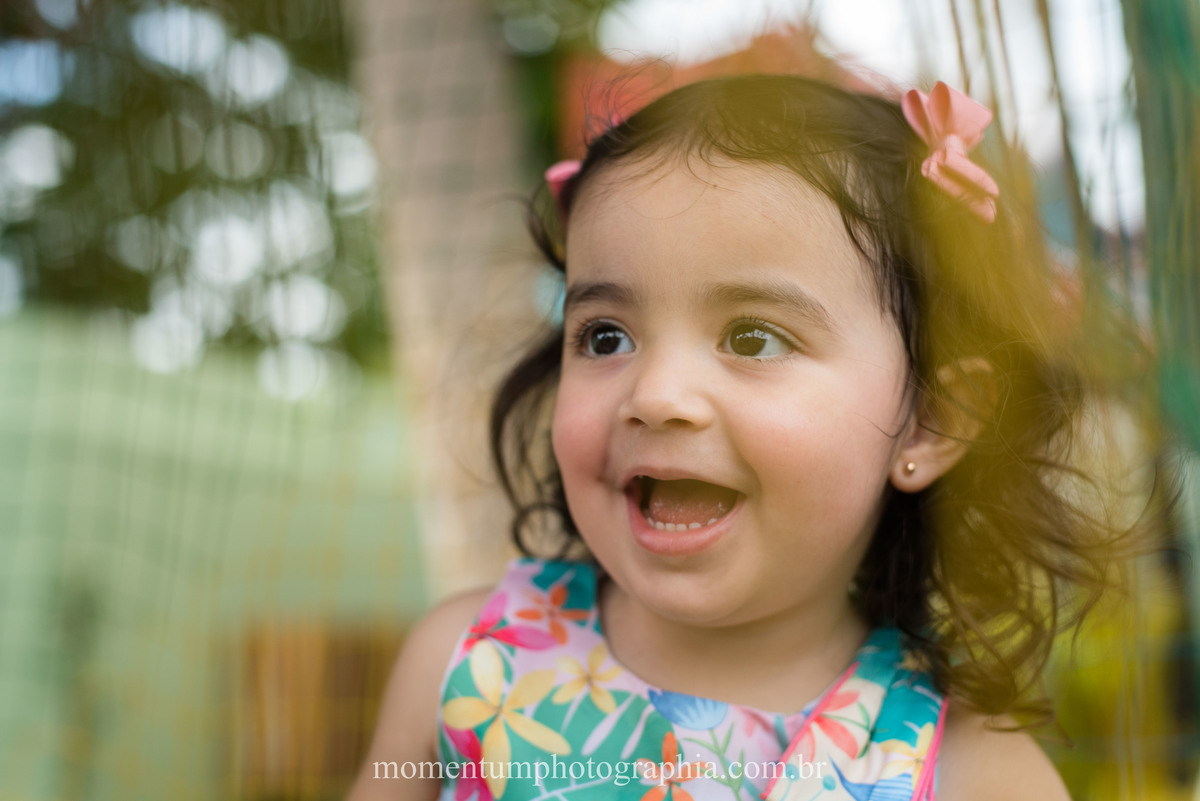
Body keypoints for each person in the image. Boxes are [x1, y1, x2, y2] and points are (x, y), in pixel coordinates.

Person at [348, 75, 1146, 800]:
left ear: (930, 418)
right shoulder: (464, 664)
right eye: (605, 336)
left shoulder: (972, 773)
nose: (656, 394)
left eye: (753, 337)